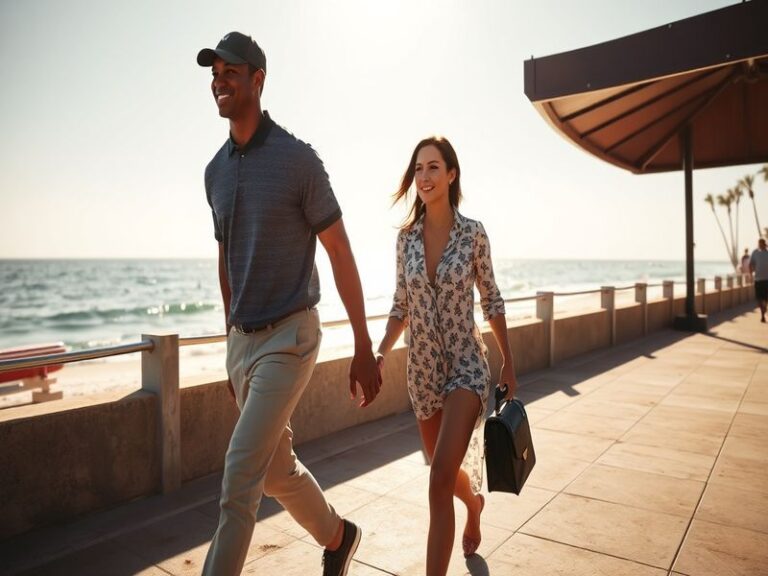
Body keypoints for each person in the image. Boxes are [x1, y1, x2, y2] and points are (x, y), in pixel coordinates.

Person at [197, 32, 381, 576]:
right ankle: (338, 535)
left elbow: (340, 251)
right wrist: (230, 338)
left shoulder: (299, 161)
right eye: (214, 72)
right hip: (243, 343)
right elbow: (226, 258)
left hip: (291, 337)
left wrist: (364, 345)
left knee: (239, 480)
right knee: (276, 473)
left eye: (232, 72)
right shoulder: (214, 171)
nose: (219, 81)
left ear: (258, 80)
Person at [375, 136, 517, 575]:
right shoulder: (406, 240)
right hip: (422, 371)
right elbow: (401, 304)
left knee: (437, 480)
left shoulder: (473, 233)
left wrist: (508, 361)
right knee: (444, 472)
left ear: (451, 174)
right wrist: (380, 352)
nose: (424, 177)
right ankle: (474, 503)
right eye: (418, 169)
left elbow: (491, 298)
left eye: (433, 167)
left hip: (467, 366)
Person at [750, 238, 768, 323]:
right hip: (757, 279)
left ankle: (764, 309)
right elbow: (751, 264)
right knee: (759, 298)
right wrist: (750, 274)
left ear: (765, 244)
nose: (760, 245)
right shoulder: (755, 253)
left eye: (761, 243)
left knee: (765, 298)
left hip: (767, 279)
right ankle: (762, 315)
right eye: (759, 243)